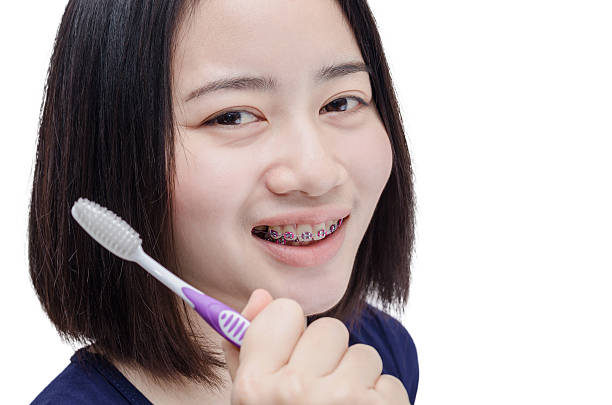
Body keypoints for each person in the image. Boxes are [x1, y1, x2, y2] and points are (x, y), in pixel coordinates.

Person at [29, 0, 418, 403]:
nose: (317, 172)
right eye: (232, 116)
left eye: (340, 102)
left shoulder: (378, 355)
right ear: (111, 155)